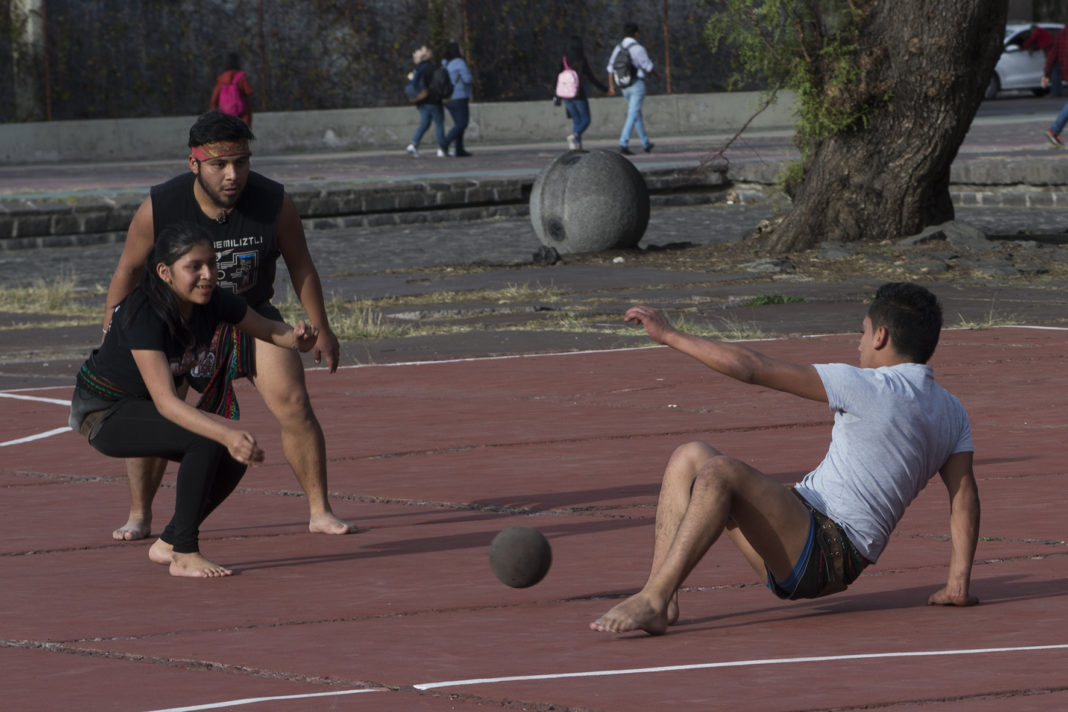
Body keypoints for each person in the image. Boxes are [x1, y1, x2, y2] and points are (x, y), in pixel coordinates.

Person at [590, 282, 979, 636]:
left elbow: (752, 368)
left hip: (825, 551)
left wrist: (669, 335)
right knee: (689, 457)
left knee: (721, 472)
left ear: (881, 336)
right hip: (805, 539)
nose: (858, 345)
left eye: (861, 333)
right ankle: (664, 599)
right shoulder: (951, 410)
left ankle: (653, 598)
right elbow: (963, 497)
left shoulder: (866, 385)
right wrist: (957, 583)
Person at [104, 110, 354, 542]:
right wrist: (112, 326)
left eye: (241, 162)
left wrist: (322, 327)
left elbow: (301, 265)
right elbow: (127, 270)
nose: (232, 174)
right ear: (195, 164)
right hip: (179, 320)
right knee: (159, 408)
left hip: (250, 314)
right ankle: (139, 513)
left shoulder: (274, 202)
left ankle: (320, 509)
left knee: (295, 402)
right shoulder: (160, 206)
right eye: (220, 165)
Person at [74, 223, 319, 577]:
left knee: (231, 460)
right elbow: (165, 402)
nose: (207, 275)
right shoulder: (144, 312)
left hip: (139, 407)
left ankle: (171, 541)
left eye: (212, 264)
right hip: (102, 412)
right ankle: (186, 553)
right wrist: (224, 433)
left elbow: (267, 330)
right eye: (194, 267)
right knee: (207, 441)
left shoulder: (212, 299)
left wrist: (297, 339)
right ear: (165, 272)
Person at [606, 22, 659, 155]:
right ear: (636, 33)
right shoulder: (637, 48)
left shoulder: (618, 48)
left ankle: (645, 142)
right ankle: (623, 142)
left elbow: (610, 68)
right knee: (633, 113)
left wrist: (612, 87)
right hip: (636, 85)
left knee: (636, 113)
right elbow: (648, 66)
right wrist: (657, 76)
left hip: (623, 86)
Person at [557, 35, 608, 151]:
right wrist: (605, 90)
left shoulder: (564, 59)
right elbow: (591, 78)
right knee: (586, 119)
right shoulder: (581, 59)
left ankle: (577, 146)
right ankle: (575, 136)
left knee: (576, 119)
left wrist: (557, 95)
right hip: (578, 92)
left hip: (565, 93)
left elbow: (558, 77)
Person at [406, 45, 448, 159]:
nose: (431, 53)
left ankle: (413, 144)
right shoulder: (431, 68)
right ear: (425, 56)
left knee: (425, 123)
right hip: (433, 100)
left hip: (421, 100)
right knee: (439, 123)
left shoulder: (418, 69)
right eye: (429, 52)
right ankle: (441, 148)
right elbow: (437, 84)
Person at [442, 42, 474, 157]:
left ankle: (459, 149)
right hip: (459, 96)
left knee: (458, 123)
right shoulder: (459, 63)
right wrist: (471, 77)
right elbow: (467, 79)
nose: (462, 50)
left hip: (447, 98)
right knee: (462, 123)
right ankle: (445, 142)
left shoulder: (446, 64)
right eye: (461, 48)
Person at [209, 52, 254, 127]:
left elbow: (213, 100)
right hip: (242, 116)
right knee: (242, 136)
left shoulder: (221, 78)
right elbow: (249, 91)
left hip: (225, 117)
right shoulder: (241, 76)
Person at [1041, 25, 1068, 145]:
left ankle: (1054, 130)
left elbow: (1054, 53)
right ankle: (1054, 130)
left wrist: (1047, 73)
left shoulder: (1062, 33)